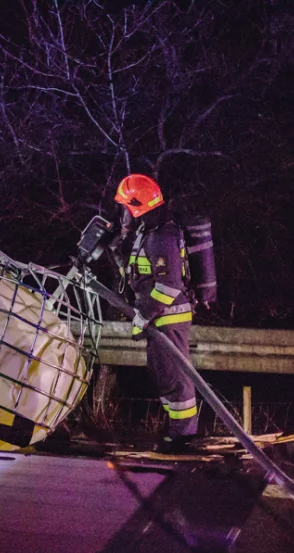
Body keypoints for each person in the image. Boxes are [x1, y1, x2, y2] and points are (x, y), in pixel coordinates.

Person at [114, 174, 199, 454]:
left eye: (126, 206)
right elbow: (138, 274)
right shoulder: (148, 232)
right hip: (158, 318)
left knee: (174, 377)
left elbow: (169, 285)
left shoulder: (162, 236)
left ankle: (183, 435)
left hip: (168, 318)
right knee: (164, 375)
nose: (123, 212)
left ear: (138, 206)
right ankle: (177, 430)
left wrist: (145, 314)